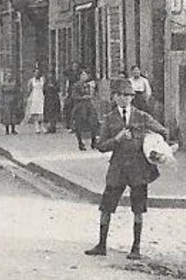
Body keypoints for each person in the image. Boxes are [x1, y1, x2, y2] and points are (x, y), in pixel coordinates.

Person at [86, 77, 171, 260]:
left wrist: (155, 147)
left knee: (138, 208)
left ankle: (136, 247)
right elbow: (101, 146)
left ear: (132, 97)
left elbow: (163, 132)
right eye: (120, 95)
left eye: (128, 95)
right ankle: (101, 245)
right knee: (106, 207)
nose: (124, 99)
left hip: (138, 168)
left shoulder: (141, 116)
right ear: (114, 97)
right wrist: (116, 139)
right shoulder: (109, 119)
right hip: (117, 168)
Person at [67, 70, 99, 152]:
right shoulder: (76, 85)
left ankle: (94, 140)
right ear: (80, 76)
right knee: (78, 123)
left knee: (94, 122)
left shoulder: (90, 85)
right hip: (80, 104)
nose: (84, 76)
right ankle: (80, 142)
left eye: (85, 75)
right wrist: (82, 98)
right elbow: (73, 95)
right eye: (82, 75)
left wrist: (92, 96)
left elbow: (95, 94)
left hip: (89, 104)